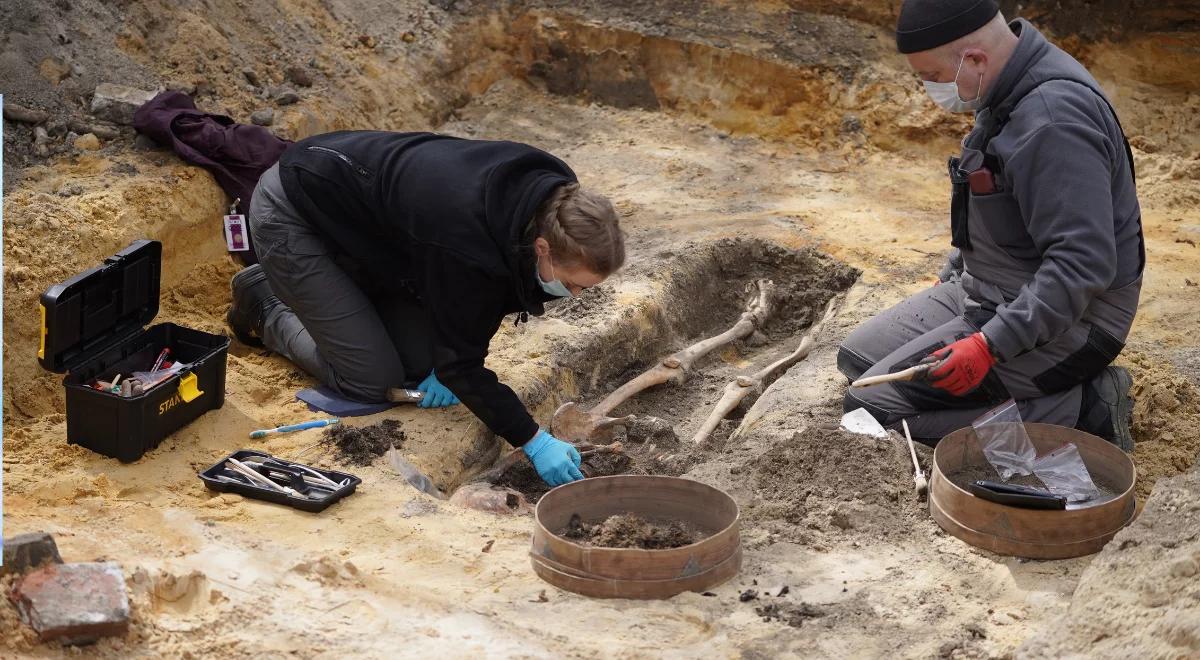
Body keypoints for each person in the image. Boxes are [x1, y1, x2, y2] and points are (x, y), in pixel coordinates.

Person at [227, 131, 626, 486]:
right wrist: (535, 441)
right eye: (573, 284)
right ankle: (264, 303)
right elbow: (463, 360)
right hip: (295, 212)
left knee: (420, 363)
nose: (573, 295)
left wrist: (444, 363)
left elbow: (486, 295)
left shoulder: (550, 204)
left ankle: (338, 298)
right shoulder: (463, 241)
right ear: (542, 248)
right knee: (370, 378)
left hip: (373, 235)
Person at [838, 0, 1143, 449]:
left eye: (933, 77)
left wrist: (989, 345)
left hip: (1077, 319)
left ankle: (1086, 408)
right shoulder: (1004, 84)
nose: (930, 89)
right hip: (995, 289)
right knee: (857, 359)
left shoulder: (1053, 121)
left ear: (974, 59)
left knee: (870, 412)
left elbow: (1082, 266)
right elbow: (999, 206)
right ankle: (1020, 391)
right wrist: (958, 274)